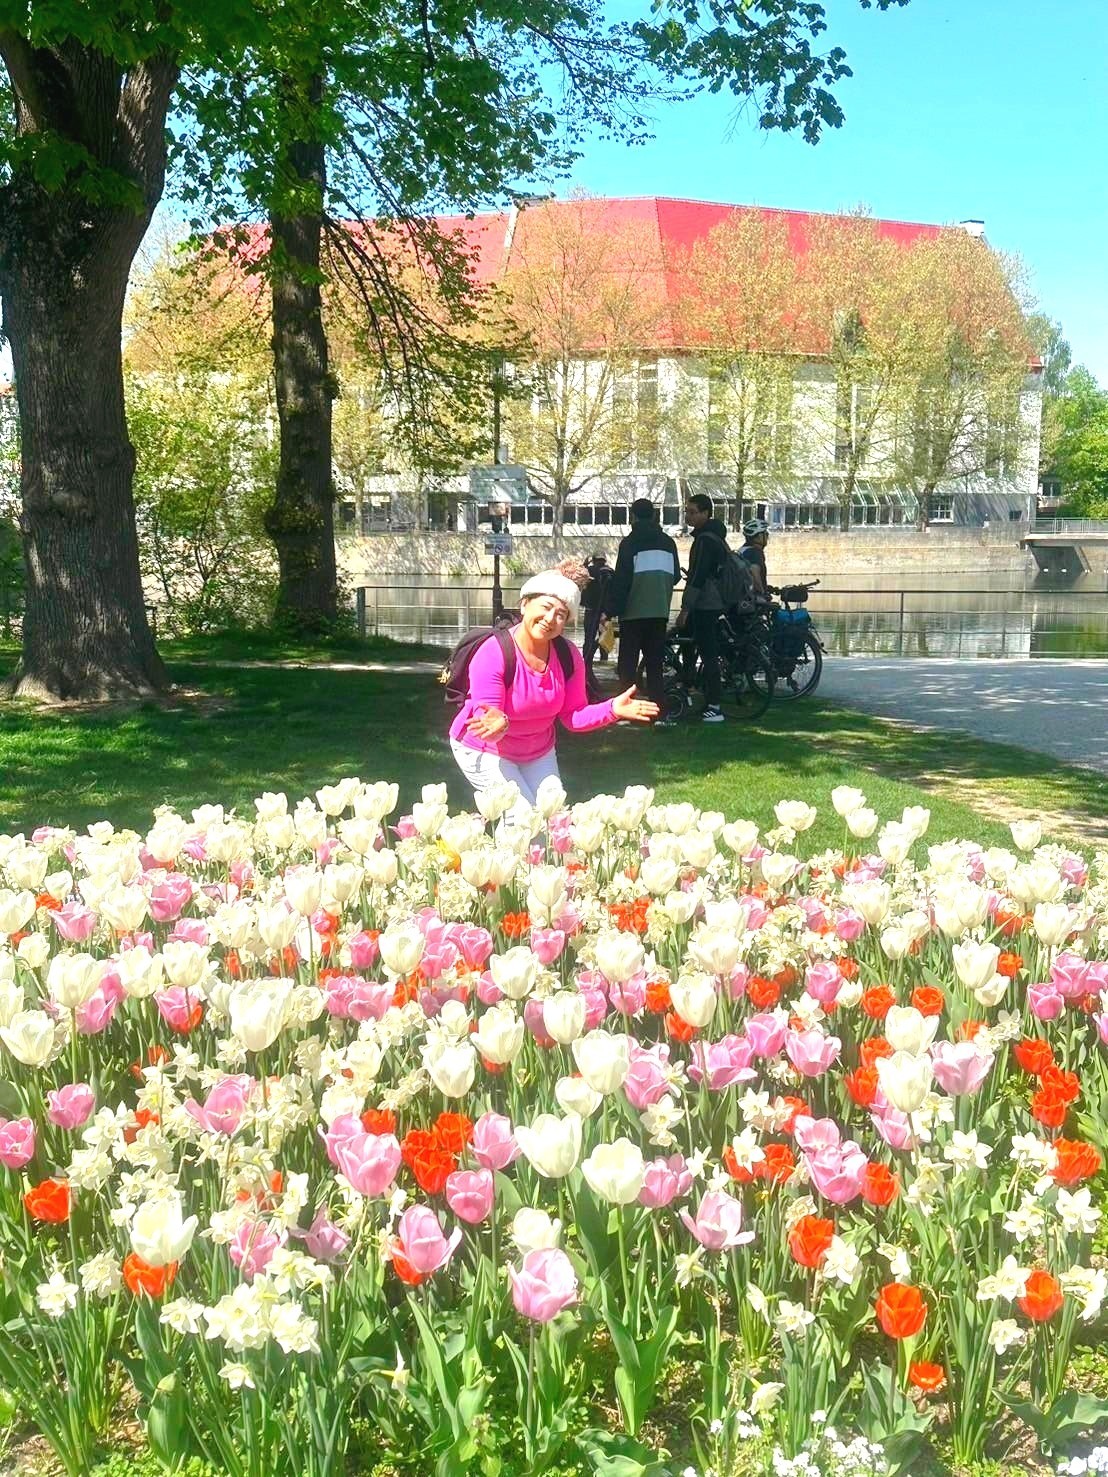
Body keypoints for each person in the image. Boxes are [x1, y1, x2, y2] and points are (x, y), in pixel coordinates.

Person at [449, 569, 658, 815]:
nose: (550, 619)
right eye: (546, 607)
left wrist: (613, 709)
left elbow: (573, 716)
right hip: (485, 750)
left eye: (561, 615)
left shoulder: (568, 655)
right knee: (522, 820)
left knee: (554, 819)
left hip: (538, 750)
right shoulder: (494, 652)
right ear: (524, 605)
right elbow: (488, 724)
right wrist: (499, 723)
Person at [608, 498, 680, 725]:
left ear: (633, 516)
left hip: (633, 611)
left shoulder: (630, 543)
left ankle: (626, 710)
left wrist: (611, 610)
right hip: (659, 610)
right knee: (655, 665)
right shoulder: (668, 543)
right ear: (654, 515)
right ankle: (660, 713)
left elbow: (622, 580)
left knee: (627, 664)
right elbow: (676, 575)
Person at [676, 493, 728, 722]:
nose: (688, 516)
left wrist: (685, 608)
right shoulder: (715, 537)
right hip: (715, 601)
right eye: (686, 511)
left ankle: (715, 707)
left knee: (708, 653)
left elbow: (697, 577)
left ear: (706, 513)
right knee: (695, 644)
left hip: (706, 603)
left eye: (692, 512)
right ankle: (689, 687)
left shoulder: (705, 540)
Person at [580, 552, 613, 683]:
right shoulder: (610, 571)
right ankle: (604, 660)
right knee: (603, 639)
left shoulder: (588, 570)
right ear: (604, 560)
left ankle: (585, 662)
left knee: (589, 638)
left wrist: (585, 564)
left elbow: (580, 580)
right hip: (605, 613)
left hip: (591, 611)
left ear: (593, 560)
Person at [738, 517, 770, 600]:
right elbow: (754, 572)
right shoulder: (755, 552)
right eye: (765, 534)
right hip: (751, 600)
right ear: (758, 537)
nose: (767, 536)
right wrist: (762, 594)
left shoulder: (742, 550)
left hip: (741, 599)